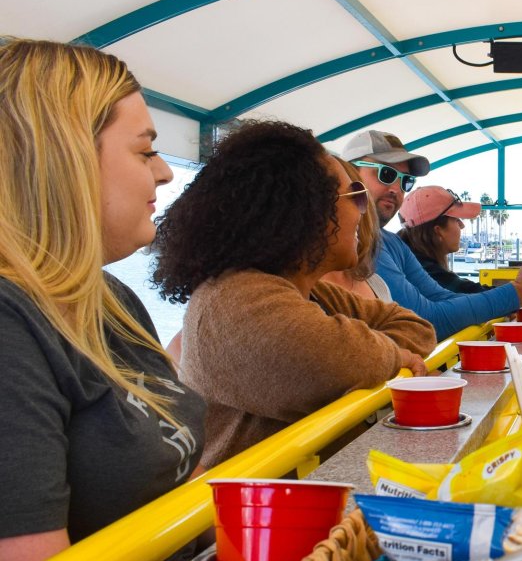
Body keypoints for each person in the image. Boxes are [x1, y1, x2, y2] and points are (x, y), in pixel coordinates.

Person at [0, 38, 206, 561]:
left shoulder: (113, 301)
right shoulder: (10, 325)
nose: (166, 173)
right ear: (59, 156)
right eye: (145, 152)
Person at [153, 121, 437, 468]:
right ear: (306, 209)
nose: (366, 216)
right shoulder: (235, 300)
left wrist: (382, 352)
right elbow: (344, 357)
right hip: (250, 517)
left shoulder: (309, 292)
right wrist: (394, 357)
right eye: (356, 197)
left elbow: (418, 329)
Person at [343, 131, 522, 339]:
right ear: (348, 174)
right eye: (386, 174)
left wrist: (520, 294)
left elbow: (442, 296)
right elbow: (424, 319)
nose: (396, 189)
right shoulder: (359, 244)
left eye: (405, 181)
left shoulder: (391, 242)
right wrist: (518, 292)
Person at [322, 157, 392, 302]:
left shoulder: (375, 283)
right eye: (355, 196)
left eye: (361, 198)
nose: (359, 213)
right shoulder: (295, 291)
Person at [399, 186, 489, 294]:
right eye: (456, 220)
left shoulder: (404, 255)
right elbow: (468, 294)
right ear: (438, 231)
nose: (462, 225)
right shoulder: (426, 272)